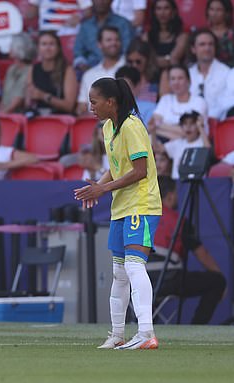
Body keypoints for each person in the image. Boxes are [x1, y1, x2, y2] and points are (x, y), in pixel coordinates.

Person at [74, 77, 161, 350]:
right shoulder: (109, 127)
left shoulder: (132, 126)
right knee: (120, 273)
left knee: (135, 266)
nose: (91, 107)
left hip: (141, 204)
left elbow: (139, 171)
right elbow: (117, 166)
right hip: (121, 206)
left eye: (93, 101)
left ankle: (146, 333)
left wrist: (103, 189)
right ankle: (118, 334)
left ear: (110, 102)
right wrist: (99, 186)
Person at [153, 176, 226, 324]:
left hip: (141, 283)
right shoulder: (177, 221)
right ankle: (197, 327)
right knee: (217, 281)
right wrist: (220, 276)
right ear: (170, 196)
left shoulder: (141, 219)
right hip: (169, 280)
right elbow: (202, 254)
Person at [150, 64, 208, 142]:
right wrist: (177, 130)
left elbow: (190, 134)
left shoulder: (199, 102)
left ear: (189, 81)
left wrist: (160, 127)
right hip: (162, 144)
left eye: (180, 78)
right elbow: (152, 124)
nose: (176, 82)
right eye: (173, 79)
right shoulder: (165, 99)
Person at [73, 0, 134, 73]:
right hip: (89, 70)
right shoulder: (85, 26)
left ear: (111, 1)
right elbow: (78, 53)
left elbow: (128, 51)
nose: (100, 1)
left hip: (118, 70)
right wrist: (84, 67)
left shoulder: (123, 23)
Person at [76, 26, 126, 116]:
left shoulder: (128, 69)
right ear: (99, 44)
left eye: (117, 40)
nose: (113, 43)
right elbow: (81, 108)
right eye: (109, 40)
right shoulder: (88, 75)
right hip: (93, 123)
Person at [26, 31, 78, 116]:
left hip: (60, 118)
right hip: (37, 117)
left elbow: (69, 106)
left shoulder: (68, 70)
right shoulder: (33, 68)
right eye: (44, 44)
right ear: (38, 48)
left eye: (51, 44)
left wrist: (43, 96)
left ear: (58, 48)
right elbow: (28, 102)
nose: (47, 48)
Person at [188, 28, 231, 120]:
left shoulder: (227, 73)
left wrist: (205, 120)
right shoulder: (188, 73)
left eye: (210, 44)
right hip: (188, 125)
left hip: (218, 125)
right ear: (193, 49)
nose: (207, 48)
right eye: (202, 44)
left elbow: (226, 106)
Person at [142, 0, 188, 70]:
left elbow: (174, 59)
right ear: (154, 12)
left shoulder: (182, 36)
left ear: (173, 11)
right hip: (152, 76)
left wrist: (154, 60)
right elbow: (145, 60)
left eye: (166, 8)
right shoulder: (146, 36)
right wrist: (167, 59)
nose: (162, 12)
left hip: (174, 75)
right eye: (158, 8)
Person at [0, 33, 36, 114]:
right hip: (5, 112)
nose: (9, 49)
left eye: (11, 46)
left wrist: (2, 114)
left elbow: (19, 99)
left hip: (18, 115)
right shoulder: (11, 69)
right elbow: (4, 95)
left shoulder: (30, 70)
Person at [206, 0, 234, 67]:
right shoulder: (203, 34)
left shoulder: (232, 34)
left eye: (219, 10)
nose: (214, 13)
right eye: (211, 9)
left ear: (227, 13)